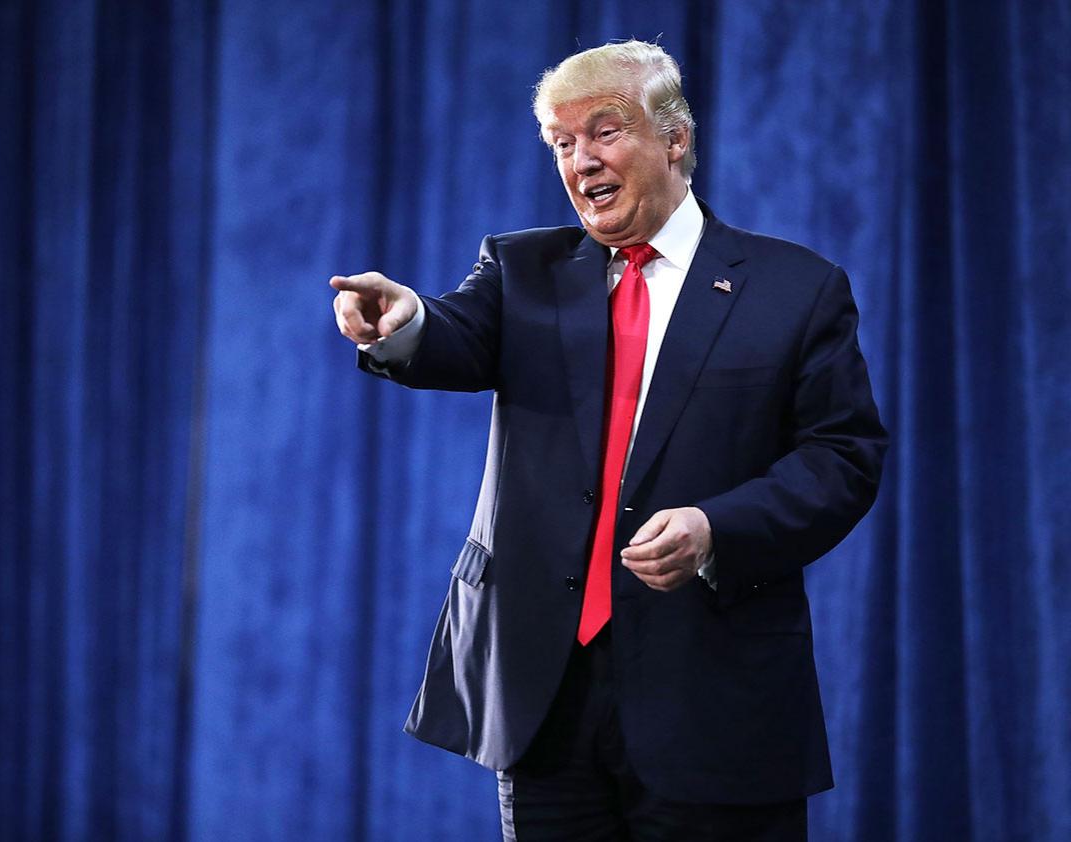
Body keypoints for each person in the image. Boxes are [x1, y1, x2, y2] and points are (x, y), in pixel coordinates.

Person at [331, 40, 887, 842]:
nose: (581, 160)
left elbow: (843, 458)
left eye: (604, 131)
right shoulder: (525, 270)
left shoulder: (796, 289)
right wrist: (403, 319)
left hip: (713, 692)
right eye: (562, 142)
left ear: (675, 138)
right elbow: (451, 332)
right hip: (546, 694)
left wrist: (716, 529)